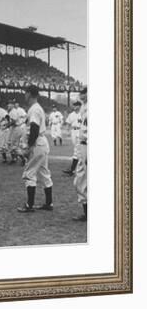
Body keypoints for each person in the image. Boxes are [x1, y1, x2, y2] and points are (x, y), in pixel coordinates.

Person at [17, 85, 54, 213]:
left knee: (29, 173)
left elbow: (34, 128)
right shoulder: (37, 108)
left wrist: (29, 147)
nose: (24, 95)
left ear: (29, 94)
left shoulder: (34, 109)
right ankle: (49, 203)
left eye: (25, 93)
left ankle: (29, 205)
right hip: (42, 143)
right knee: (44, 173)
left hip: (37, 143)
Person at [73, 88, 88, 221]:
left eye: (84, 93)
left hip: (88, 145)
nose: (82, 95)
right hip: (82, 144)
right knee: (80, 179)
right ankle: (87, 213)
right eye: (81, 93)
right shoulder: (84, 106)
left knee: (83, 179)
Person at [63, 101, 83, 175]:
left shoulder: (83, 113)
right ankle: (76, 169)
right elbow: (68, 123)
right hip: (73, 131)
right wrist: (67, 131)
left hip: (80, 131)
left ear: (79, 106)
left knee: (77, 151)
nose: (74, 107)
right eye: (74, 106)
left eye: (76, 106)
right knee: (77, 150)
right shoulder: (71, 114)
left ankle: (72, 170)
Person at [8, 99, 27, 165]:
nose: (9, 105)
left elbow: (13, 121)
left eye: (11, 104)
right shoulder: (12, 111)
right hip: (16, 128)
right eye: (9, 103)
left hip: (16, 128)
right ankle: (14, 158)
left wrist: (7, 125)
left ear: (13, 105)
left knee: (14, 146)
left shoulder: (13, 111)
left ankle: (23, 158)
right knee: (12, 145)